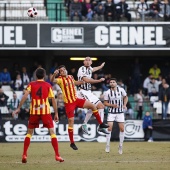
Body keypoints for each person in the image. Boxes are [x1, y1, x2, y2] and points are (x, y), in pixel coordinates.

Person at [51, 65, 109, 150]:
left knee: (92, 106)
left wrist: (81, 82)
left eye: (63, 69)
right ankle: (72, 143)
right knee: (71, 121)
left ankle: (101, 124)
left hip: (76, 100)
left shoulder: (70, 77)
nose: (62, 71)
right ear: (59, 73)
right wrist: (53, 74)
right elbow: (52, 81)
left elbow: (74, 83)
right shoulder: (60, 79)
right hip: (69, 103)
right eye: (61, 71)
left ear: (66, 70)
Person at [12, 68, 64, 163]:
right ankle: (57, 155)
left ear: (36, 75)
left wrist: (19, 108)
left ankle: (24, 154)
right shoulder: (48, 85)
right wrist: (56, 113)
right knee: (52, 132)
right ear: (44, 76)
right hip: (45, 112)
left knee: (29, 133)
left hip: (34, 112)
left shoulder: (31, 84)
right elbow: (53, 100)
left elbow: (25, 95)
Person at [77, 57, 109, 135]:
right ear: (83, 62)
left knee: (101, 106)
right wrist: (98, 80)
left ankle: (100, 126)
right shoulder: (82, 69)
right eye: (86, 60)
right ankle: (84, 124)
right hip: (83, 92)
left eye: (89, 60)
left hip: (89, 92)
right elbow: (86, 80)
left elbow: (93, 69)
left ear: (91, 62)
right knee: (92, 106)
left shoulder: (89, 69)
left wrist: (100, 67)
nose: (88, 61)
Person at [104, 78, 128, 154]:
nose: (112, 83)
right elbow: (105, 103)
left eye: (113, 82)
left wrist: (124, 105)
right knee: (109, 128)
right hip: (111, 112)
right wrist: (112, 105)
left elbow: (126, 97)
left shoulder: (121, 90)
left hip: (120, 112)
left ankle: (120, 146)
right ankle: (107, 145)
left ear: (116, 83)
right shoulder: (107, 92)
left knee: (122, 129)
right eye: (111, 82)